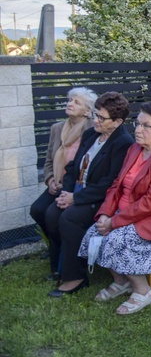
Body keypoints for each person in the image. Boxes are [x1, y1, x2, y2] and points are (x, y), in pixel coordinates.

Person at [79, 102, 151, 315]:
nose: (138, 130)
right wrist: (105, 213)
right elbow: (116, 184)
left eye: (146, 126)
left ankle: (144, 291)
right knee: (93, 232)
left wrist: (114, 222)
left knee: (114, 239)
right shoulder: (134, 149)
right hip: (130, 212)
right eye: (138, 124)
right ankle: (121, 281)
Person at [44, 92, 134, 297]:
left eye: (101, 118)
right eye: (95, 114)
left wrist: (75, 198)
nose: (95, 120)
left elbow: (110, 182)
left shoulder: (123, 142)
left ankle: (76, 276)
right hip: (76, 190)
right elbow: (73, 165)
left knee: (69, 218)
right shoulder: (91, 134)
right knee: (51, 213)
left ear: (118, 121)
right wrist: (66, 192)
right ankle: (62, 265)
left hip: (100, 198)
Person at [30, 87, 96, 278]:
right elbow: (49, 160)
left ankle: (61, 258)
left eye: (76, 102)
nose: (70, 103)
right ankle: (56, 243)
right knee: (37, 210)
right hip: (57, 182)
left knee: (54, 215)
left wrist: (67, 187)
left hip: (76, 185)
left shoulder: (91, 130)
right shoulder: (57, 128)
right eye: (69, 100)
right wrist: (50, 180)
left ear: (87, 110)